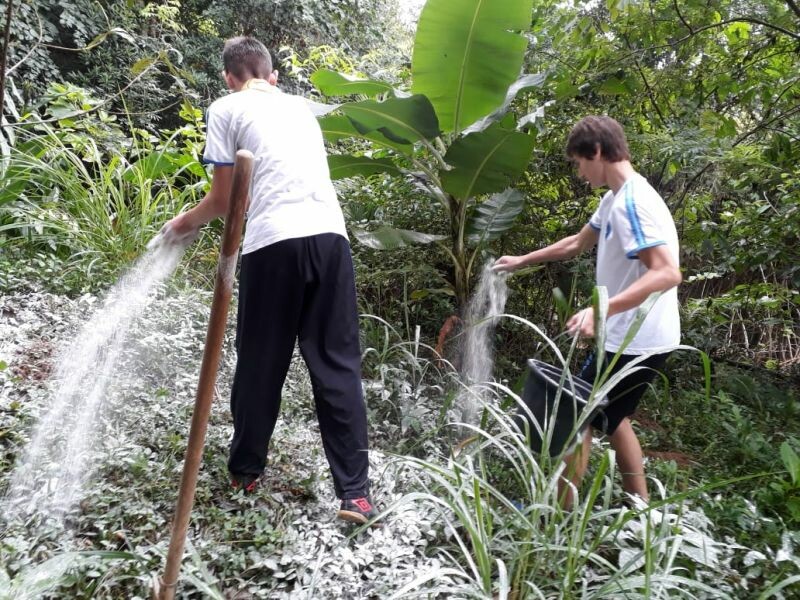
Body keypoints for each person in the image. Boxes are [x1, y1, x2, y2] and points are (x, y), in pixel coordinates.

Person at [162, 36, 375, 524]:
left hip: (273, 244)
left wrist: (181, 225)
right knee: (337, 366)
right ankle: (357, 496)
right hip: (330, 240)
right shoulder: (300, 108)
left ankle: (245, 473)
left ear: (229, 78)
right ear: (272, 76)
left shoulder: (226, 107)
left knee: (261, 361)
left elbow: (222, 200)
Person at [494, 115, 682, 508]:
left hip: (634, 341)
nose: (579, 172)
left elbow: (667, 272)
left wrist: (602, 310)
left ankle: (556, 517)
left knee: (575, 418)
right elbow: (576, 244)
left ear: (596, 152)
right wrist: (522, 260)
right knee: (614, 418)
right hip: (638, 337)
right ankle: (640, 508)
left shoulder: (633, 203)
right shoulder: (615, 198)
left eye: (579, 162)